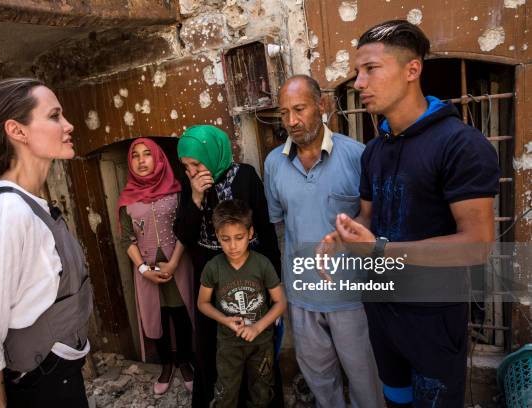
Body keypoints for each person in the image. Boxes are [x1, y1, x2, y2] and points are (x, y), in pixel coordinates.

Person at [322, 20, 500, 407]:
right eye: (357, 72)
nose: (358, 83)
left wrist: (381, 250)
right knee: (395, 400)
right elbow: (368, 218)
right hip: (383, 313)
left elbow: (477, 245)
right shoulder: (374, 151)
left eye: (370, 69)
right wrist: (344, 236)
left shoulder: (460, 145)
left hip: (432, 319)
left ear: (412, 70)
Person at [0, 78, 93, 408]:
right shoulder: (9, 211)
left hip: (56, 375)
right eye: (54, 116)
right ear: (17, 131)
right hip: (40, 388)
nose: (68, 124)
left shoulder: (25, 203)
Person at [263, 74, 383, 408]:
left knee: (364, 379)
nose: (291, 121)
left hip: (351, 296)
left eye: (299, 109)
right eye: (284, 113)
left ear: (322, 105)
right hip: (302, 296)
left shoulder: (357, 156)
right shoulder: (274, 163)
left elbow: (370, 220)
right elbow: (280, 227)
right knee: (319, 379)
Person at [174, 125, 282, 407]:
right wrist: (196, 197)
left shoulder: (244, 176)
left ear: (212, 153)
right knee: (214, 345)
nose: (193, 170)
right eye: (187, 166)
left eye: (197, 163)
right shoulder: (190, 183)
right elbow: (184, 235)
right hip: (211, 272)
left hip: (249, 272)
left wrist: (274, 287)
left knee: (255, 342)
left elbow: (266, 231)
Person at [116, 137, 194, 394]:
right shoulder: (127, 198)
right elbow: (126, 238)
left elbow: (185, 228)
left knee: (181, 314)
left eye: (147, 154)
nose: (141, 161)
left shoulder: (177, 189)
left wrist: (173, 263)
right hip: (146, 270)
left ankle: (184, 362)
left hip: (178, 264)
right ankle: (166, 365)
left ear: (158, 158)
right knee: (157, 317)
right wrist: (143, 270)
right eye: (135, 156)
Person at [197, 199, 286, 407]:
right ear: (217, 236)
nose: (233, 245)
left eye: (239, 237)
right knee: (225, 393)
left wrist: (257, 327)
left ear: (250, 233)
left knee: (262, 392)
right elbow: (202, 303)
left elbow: (280, 302)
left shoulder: (262, 264)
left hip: (261, 344)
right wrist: (225, 320)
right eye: (225, 239)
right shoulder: (213, 267)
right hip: (228, 344)